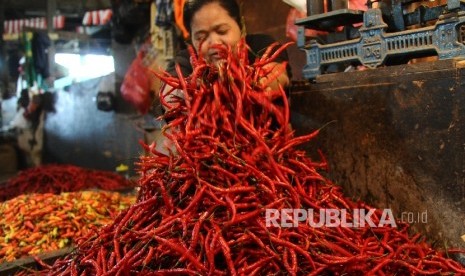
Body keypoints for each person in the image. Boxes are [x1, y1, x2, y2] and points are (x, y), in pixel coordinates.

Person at [160, 0, 291, 112]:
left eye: (222, 31)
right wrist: (184, 96)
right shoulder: (186, 60)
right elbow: (170, 94)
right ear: (191, 40)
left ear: (241, 27)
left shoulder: (260, 45)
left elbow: (276, 74)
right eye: (201, 37)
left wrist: (259, 84)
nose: (215, 43)